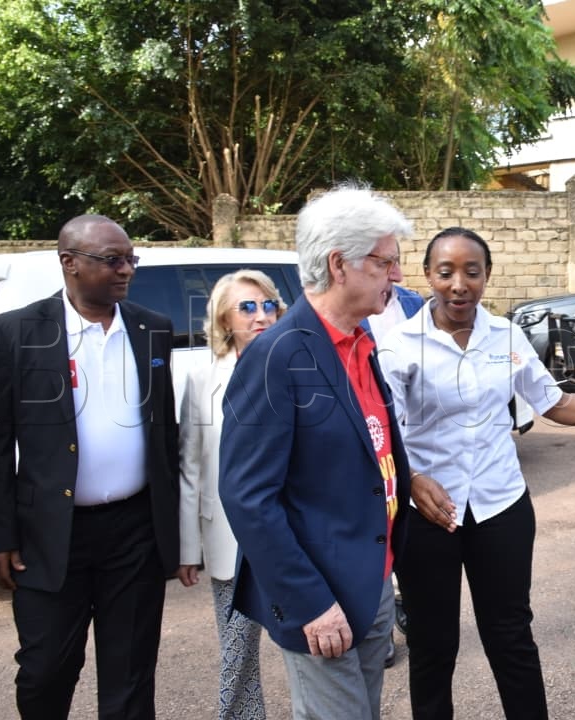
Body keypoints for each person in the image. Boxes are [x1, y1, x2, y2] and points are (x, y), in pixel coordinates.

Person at [378, 226, 575, 720]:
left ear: (487, 276)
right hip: (428, 514)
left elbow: (556, 404)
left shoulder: (506, 336)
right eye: (447, 272)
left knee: (511, 635)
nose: (460, 284)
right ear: (428, 276)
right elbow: (384, 433)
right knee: (434, 645)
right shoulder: (399, 346)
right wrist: (411, 479)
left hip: (500, 505)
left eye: (472, 272)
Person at [218, 184, 413, 720]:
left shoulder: (361, 342)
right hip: (320, 594)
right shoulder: (276, 355)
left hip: (371, 579)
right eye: (385, 262)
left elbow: (372, 454)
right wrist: (310, 604)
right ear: (339, 264)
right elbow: (247, 497)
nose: (396, 275)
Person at [0, 215, 179, 718]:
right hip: (50, 535)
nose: (126, 270)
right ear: (69, 263)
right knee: (47, 668)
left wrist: (175, 536)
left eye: (131, 259)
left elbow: (165, 435)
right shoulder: (16, 331)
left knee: (131, 674)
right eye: (113, 260)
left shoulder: (152, 328)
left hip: (134, 533)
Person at [177, 270, 288, 719]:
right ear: (223, 318)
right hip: (228, 537)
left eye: (268, 305)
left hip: (289, 536)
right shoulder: (203, 381)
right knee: (237, 651)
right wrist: (189, 549)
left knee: (314, 648)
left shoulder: (297, 372)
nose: (261, 315)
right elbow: (191, 467)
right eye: (248, 307)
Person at [361, 278, 424, 668]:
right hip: (371, 436)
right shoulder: (352, 311)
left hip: (410, 441)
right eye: (385, 261)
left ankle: (407, 608)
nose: (396, 272)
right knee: (375, 532)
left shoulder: (412, 303)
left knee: (408, 534)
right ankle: (380, 630)